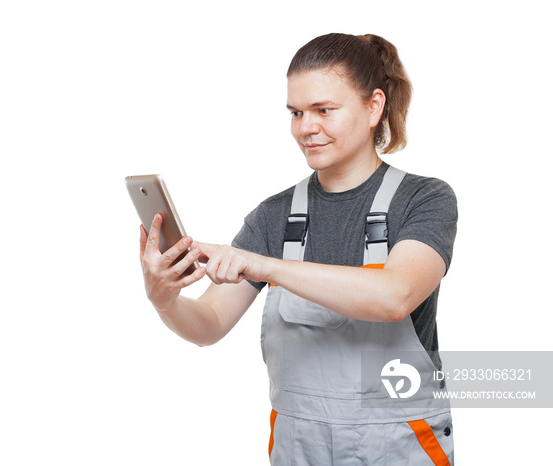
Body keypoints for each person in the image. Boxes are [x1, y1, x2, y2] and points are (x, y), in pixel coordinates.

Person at [138, 33, 457, 465]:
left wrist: (266, 266)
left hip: (397, 445)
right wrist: (165, 299)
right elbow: (209, 324)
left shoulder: (424, 199)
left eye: (324, 110)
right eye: (296, 112)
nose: (306, 127)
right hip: (299, 447)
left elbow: (394, 296)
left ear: (373, 107)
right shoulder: (275, 216)